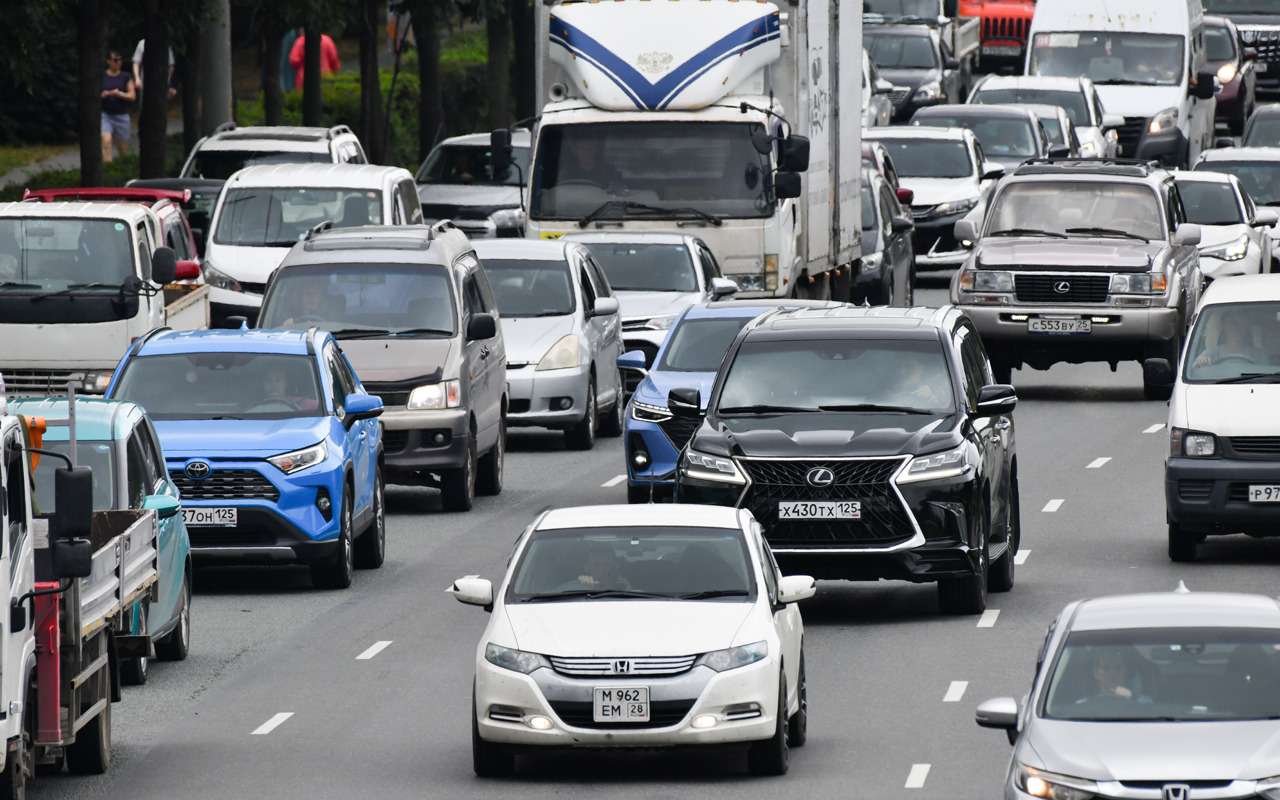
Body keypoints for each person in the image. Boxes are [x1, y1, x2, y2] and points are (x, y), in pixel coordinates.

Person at [101, 50, 136, 163]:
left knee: (123, 150)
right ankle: (108, 169)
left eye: (120, 60)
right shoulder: (102, 76)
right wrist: (103, 94)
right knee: (106, 142)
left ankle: (122, 169)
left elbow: (132, 95)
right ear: (108, 61)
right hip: (105, 115)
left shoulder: (125, 76)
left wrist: (119, 93)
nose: (118, 62)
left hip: (122, 115)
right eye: (115, 60)